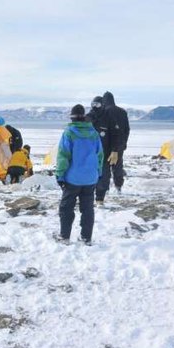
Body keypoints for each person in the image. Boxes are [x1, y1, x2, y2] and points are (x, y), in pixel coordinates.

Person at [55, 104, 103, 245]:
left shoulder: (69, 132)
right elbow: (100, 155)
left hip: (73, 178)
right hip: (90, 178)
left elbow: (63, 156)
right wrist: (98, 173)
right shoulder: (94, 133)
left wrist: (60, 175)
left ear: (72, 117)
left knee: (66, 208)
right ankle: (86, 238)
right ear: (84, 117)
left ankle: (64, 237)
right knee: (87, 209)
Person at [101, 91, 130, 196]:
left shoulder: (103, 111)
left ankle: (105, 188)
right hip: (119, 144)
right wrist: (124, 142)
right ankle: (118, 187)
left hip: (106, 144)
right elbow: (127, 129)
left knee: (105, 166)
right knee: (118, 166)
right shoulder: (122, 112)